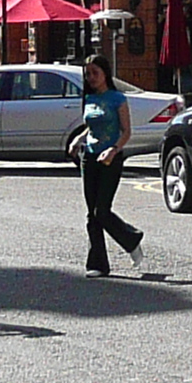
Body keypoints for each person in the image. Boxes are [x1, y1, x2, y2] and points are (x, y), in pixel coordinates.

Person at [76, 58, 148, 278]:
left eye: (94, 72)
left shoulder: (117, 98)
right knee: (92, 215)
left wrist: (113, 150)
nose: (91, 78)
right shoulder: (88, 98)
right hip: (89, 157)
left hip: (111, 158)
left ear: (105, 74)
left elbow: (126, 132)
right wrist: (77, 140)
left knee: (102, 211)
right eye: (87, 74)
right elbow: (91, 128)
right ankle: (97, 264)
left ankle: (132, 239)